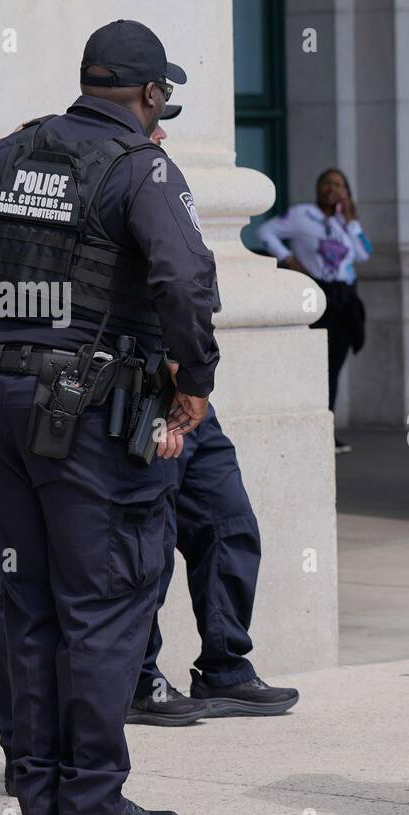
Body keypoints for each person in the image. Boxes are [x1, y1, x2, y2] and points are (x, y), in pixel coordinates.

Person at [0, 19, 218, 815]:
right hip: (89, 416)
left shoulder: (12, 155)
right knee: (106, 603)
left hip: (0, 408)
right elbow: (185, 281)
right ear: (150, 95)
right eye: (164, 96)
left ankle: (38, 798)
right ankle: (89, 805)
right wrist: (195, 382)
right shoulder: (142, 168)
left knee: (28, 599)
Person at [128, 110, 300, 727]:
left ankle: (225, 667)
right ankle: (137, 678)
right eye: (155, 122)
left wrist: (193, 375)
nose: (164, 133)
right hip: (133, 392)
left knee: (228, 520)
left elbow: (193, 282)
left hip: (185, 389)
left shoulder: (157, 178)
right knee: (144, 543)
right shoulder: (116, 176)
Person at [257, 168, 370, 453]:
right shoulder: (301, 215)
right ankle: (314, 429)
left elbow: (363, 254)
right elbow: (265, 231)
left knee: (335, 365)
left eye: (339, 185)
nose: (332, 189)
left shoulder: (346, 223)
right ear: (318, 188)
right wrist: (288, 259)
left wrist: (352, 220)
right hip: (318, 293)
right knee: (317, 365)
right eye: (327, 183)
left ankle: (326, 430)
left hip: (345, 298)